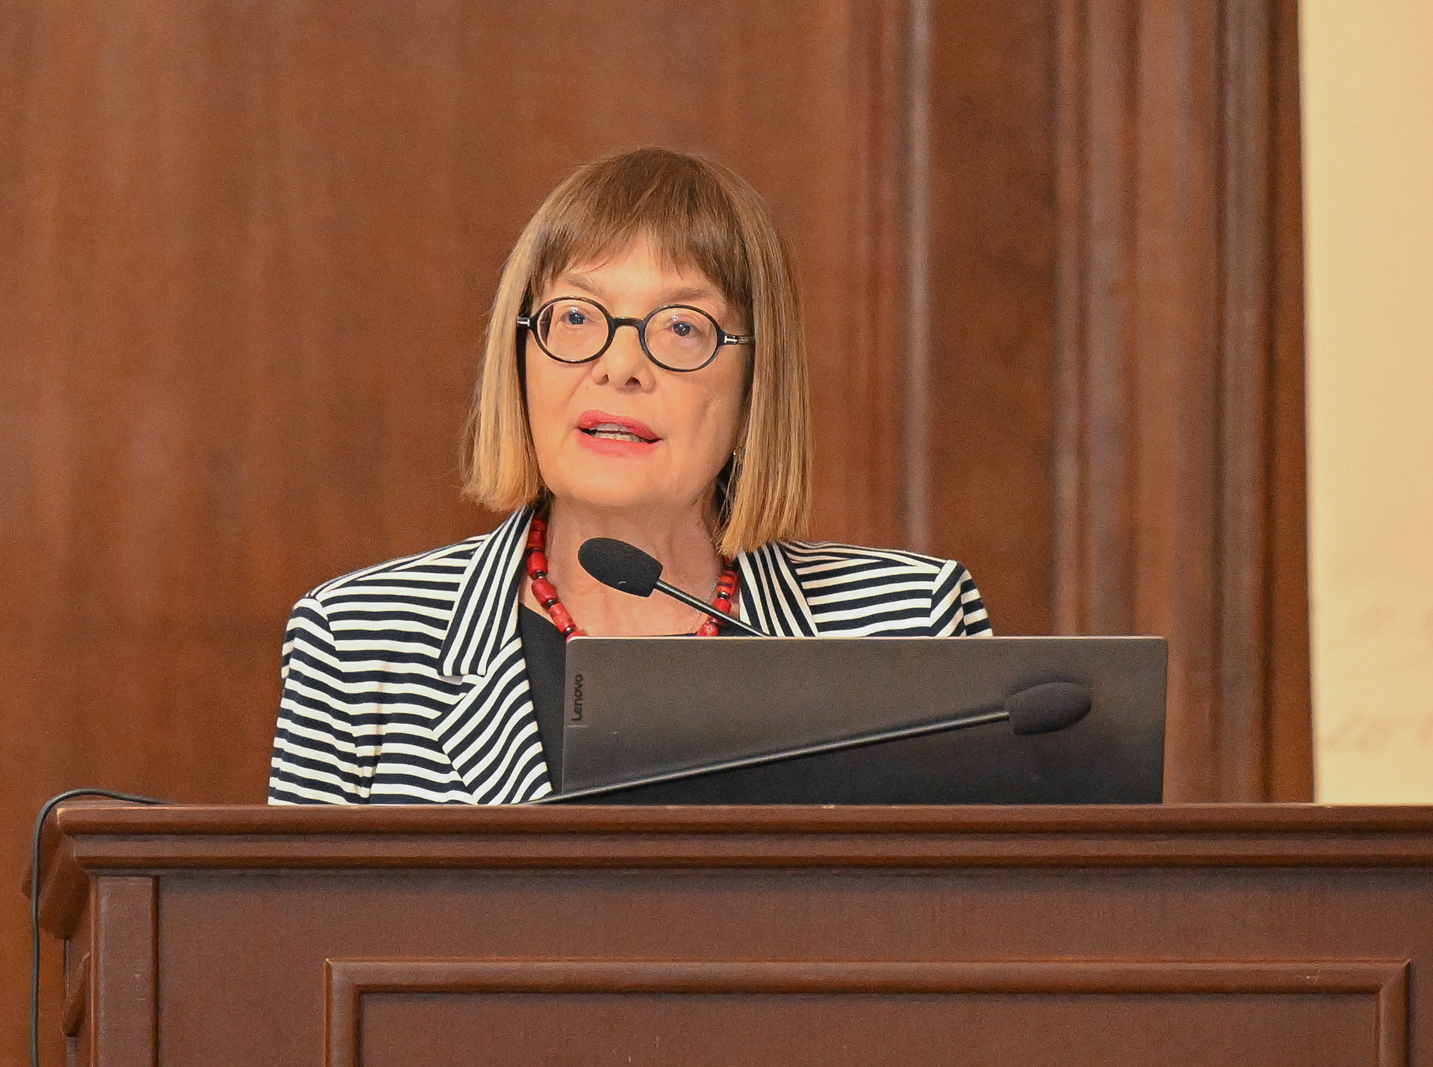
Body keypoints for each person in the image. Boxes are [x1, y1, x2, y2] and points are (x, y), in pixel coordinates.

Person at [268, 147, 991, 805]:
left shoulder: (911, 628)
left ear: (756, 381)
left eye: (681, 327)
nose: (619, 366)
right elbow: (300, 914)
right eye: (576, 316)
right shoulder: (359, 643)